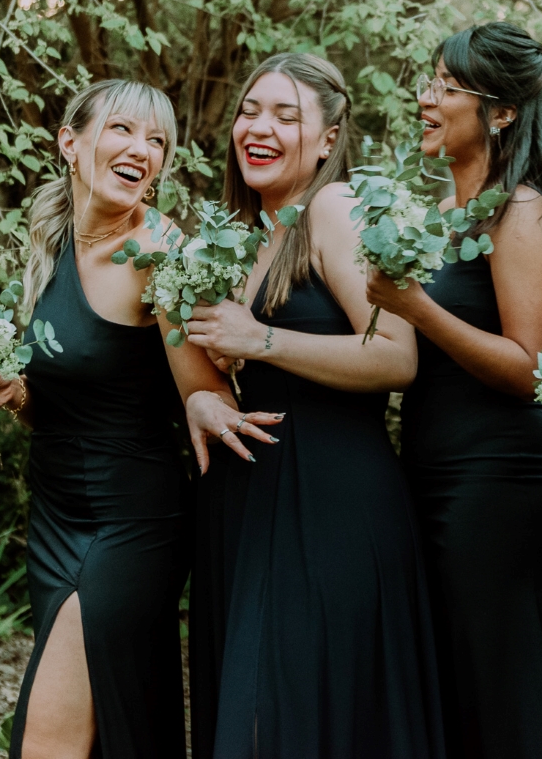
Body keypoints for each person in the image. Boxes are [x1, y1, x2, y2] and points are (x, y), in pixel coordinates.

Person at [0, 79, 270, 759]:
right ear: (70, 144)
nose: (142, 149)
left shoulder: (160, 252)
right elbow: (62, 409)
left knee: (47, 743)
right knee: (103, 736)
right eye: (123, 130)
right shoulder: (52, 242)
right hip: (54, 516)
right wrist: (15, 393)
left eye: (157, 140)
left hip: (129, 525)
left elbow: (205, 392)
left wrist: (217, 398)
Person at [181, 53, 445, 759]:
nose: (258, 128)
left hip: (329, 501)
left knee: (294, 720)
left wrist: (262, 340)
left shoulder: (334, 209)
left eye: (285, 115)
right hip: (248, 499)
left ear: (328, 139)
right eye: (249, 111)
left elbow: (396, 355)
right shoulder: (244, 235)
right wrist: (202, 396)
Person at [365, 22, 542, 759]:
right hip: (434, 472)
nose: (425, 99)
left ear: (500, 112)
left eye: (445, 86)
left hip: (495, 481)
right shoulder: (438, 219)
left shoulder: (519, 210)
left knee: (503, 700)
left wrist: (417, 308)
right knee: (460, 699)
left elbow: (532, 369)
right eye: (428, 82)